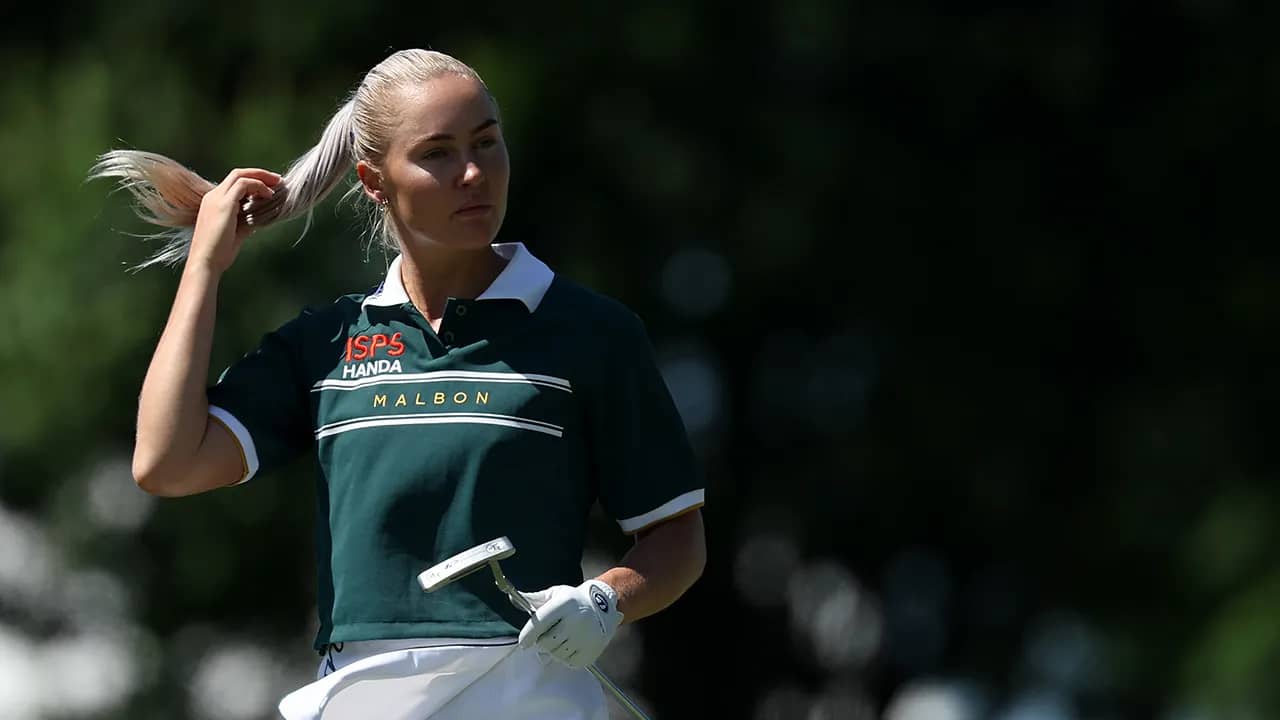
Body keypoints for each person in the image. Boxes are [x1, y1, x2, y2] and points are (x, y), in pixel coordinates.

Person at [90, 48, 706, 719]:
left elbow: (677, 537)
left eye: (487, 143)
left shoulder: (591, 331)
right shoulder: (327, 341)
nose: (474, 173)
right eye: (438, 154)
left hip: (531, 694)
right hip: (363, 696)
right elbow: (165, 462)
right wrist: (204, 267)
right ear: (374, 181)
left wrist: (605, 599)